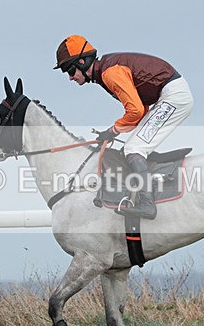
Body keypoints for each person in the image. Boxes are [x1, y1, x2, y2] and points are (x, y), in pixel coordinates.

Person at [54, 35, 194, 220]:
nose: (70, 77)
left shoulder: (109, 73)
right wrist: (115, 130)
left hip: (173, 97)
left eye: (70, 70)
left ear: (81, 61)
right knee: (133, 147)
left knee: (134, 148)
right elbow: (141, 109)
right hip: (168, 95)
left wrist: (113, 130)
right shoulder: (105, 71)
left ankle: (147, 204)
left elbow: (135, 111)